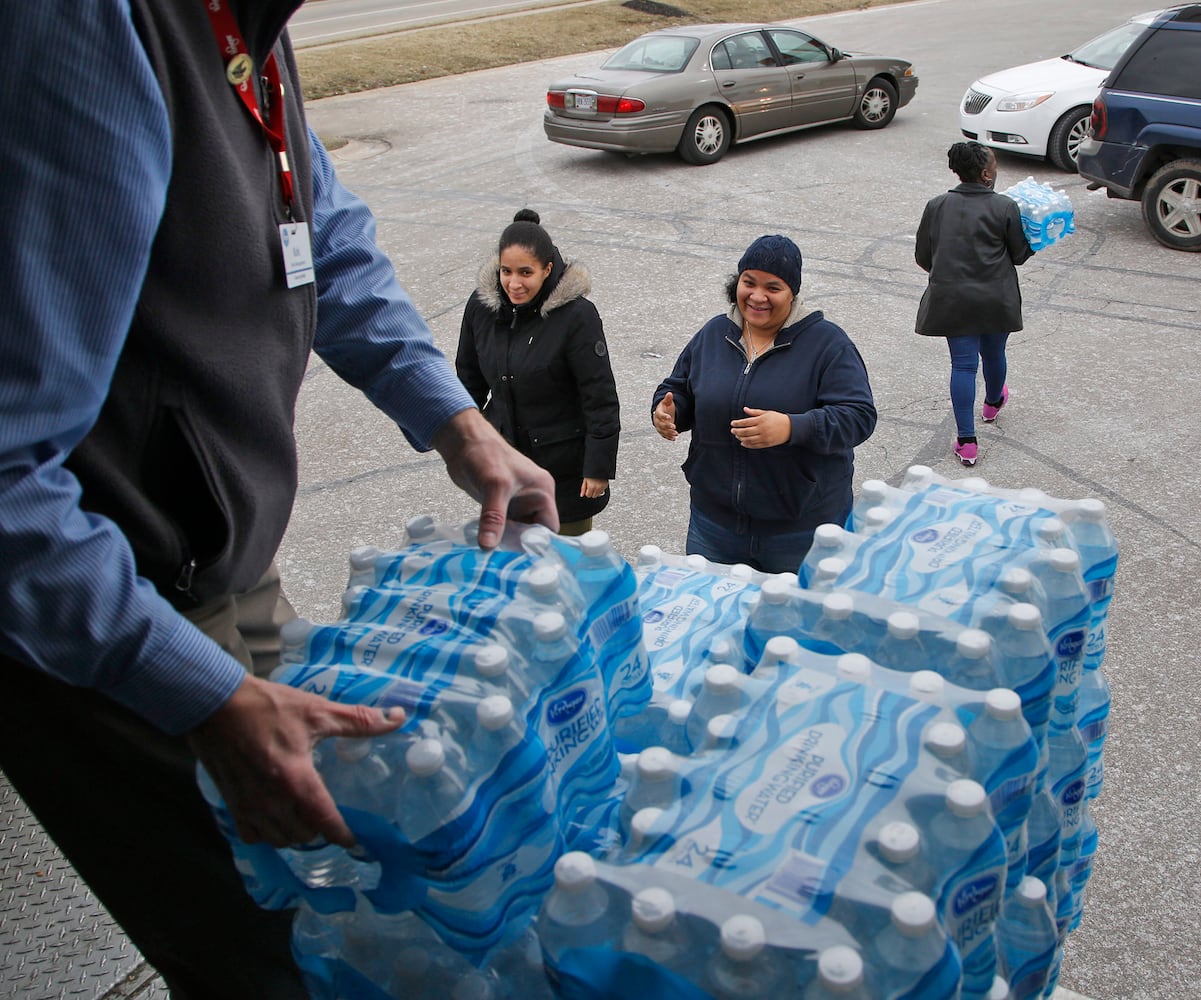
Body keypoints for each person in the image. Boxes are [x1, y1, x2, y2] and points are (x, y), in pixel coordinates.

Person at [0, 3, 557, 997]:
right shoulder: (89, 28)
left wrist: (453, 420)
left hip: (212, 558)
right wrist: (203, 694)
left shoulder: (247, 20)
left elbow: (321, 238)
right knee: (275, 944)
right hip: (97, 611)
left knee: (335, 878)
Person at [651, 235, 877, 575]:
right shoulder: (715, 333)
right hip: (714, 525)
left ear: (792, 293)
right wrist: (669, 410)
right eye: (749, 282)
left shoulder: (828, 344)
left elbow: (858, 416)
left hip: (801, 530)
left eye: (773, 287)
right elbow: (680, 387)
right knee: (716, 618)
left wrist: (791, 427)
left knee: (796, 622)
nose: (757, 297)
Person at [456, 209, 621, 537]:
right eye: (506, 271)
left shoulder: (577, 317)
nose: (514, 283)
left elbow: (598, 396)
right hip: (504, 465)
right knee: (515, 563)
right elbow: (468, 379)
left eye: (525, 273)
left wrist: (598, 467)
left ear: (547, 269)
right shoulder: (481, 308)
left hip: (564, 472)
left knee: (565, 569)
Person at [915, 140, 1034, 467]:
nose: (996, 171)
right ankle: (993, 403)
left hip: (953, 300)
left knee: (963, 366)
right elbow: (1020, 255)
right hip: (996, 298)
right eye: (994, 166)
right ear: (985, 174)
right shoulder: (1005, 207)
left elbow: (923, 257)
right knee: (994, 352)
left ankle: (967, 441)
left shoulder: (936, 206)